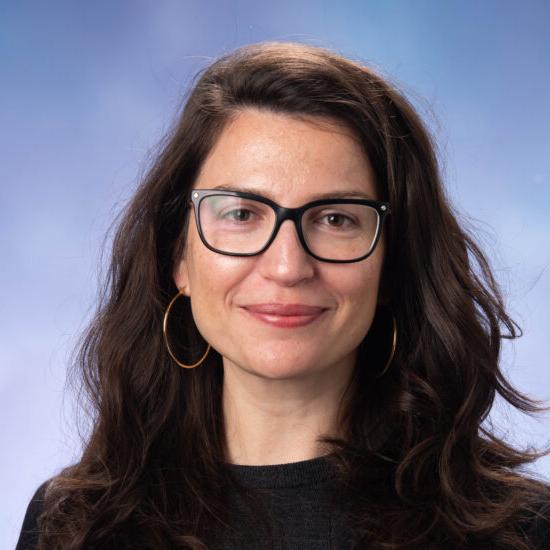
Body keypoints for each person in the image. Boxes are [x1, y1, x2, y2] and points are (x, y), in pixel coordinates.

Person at [16, 41, 550, 549]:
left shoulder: (519, 532)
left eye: (336, 219)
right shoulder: (74, 525)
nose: (288, 266)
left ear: (393, 263)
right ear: (178, 255)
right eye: (243, 214)